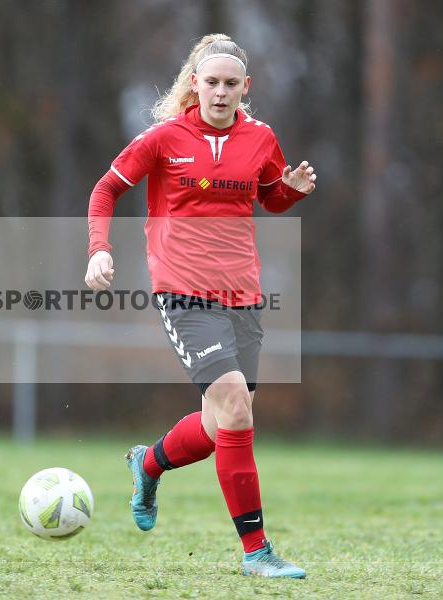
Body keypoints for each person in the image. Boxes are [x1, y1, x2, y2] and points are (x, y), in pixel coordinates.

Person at [84, 35, 316, 578]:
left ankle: (146, 463)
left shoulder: (261, 138)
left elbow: (270, 198)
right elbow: (104, 190)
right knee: (236, 405)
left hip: (244, 293)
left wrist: (293, 190)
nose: (219, 91)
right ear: (194, 83)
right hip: (183, 290)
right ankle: (257, 553)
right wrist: (99, 249)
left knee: (220, 426)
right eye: (210, 82)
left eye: (230, 84)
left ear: (245, 88)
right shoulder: (164, 138)